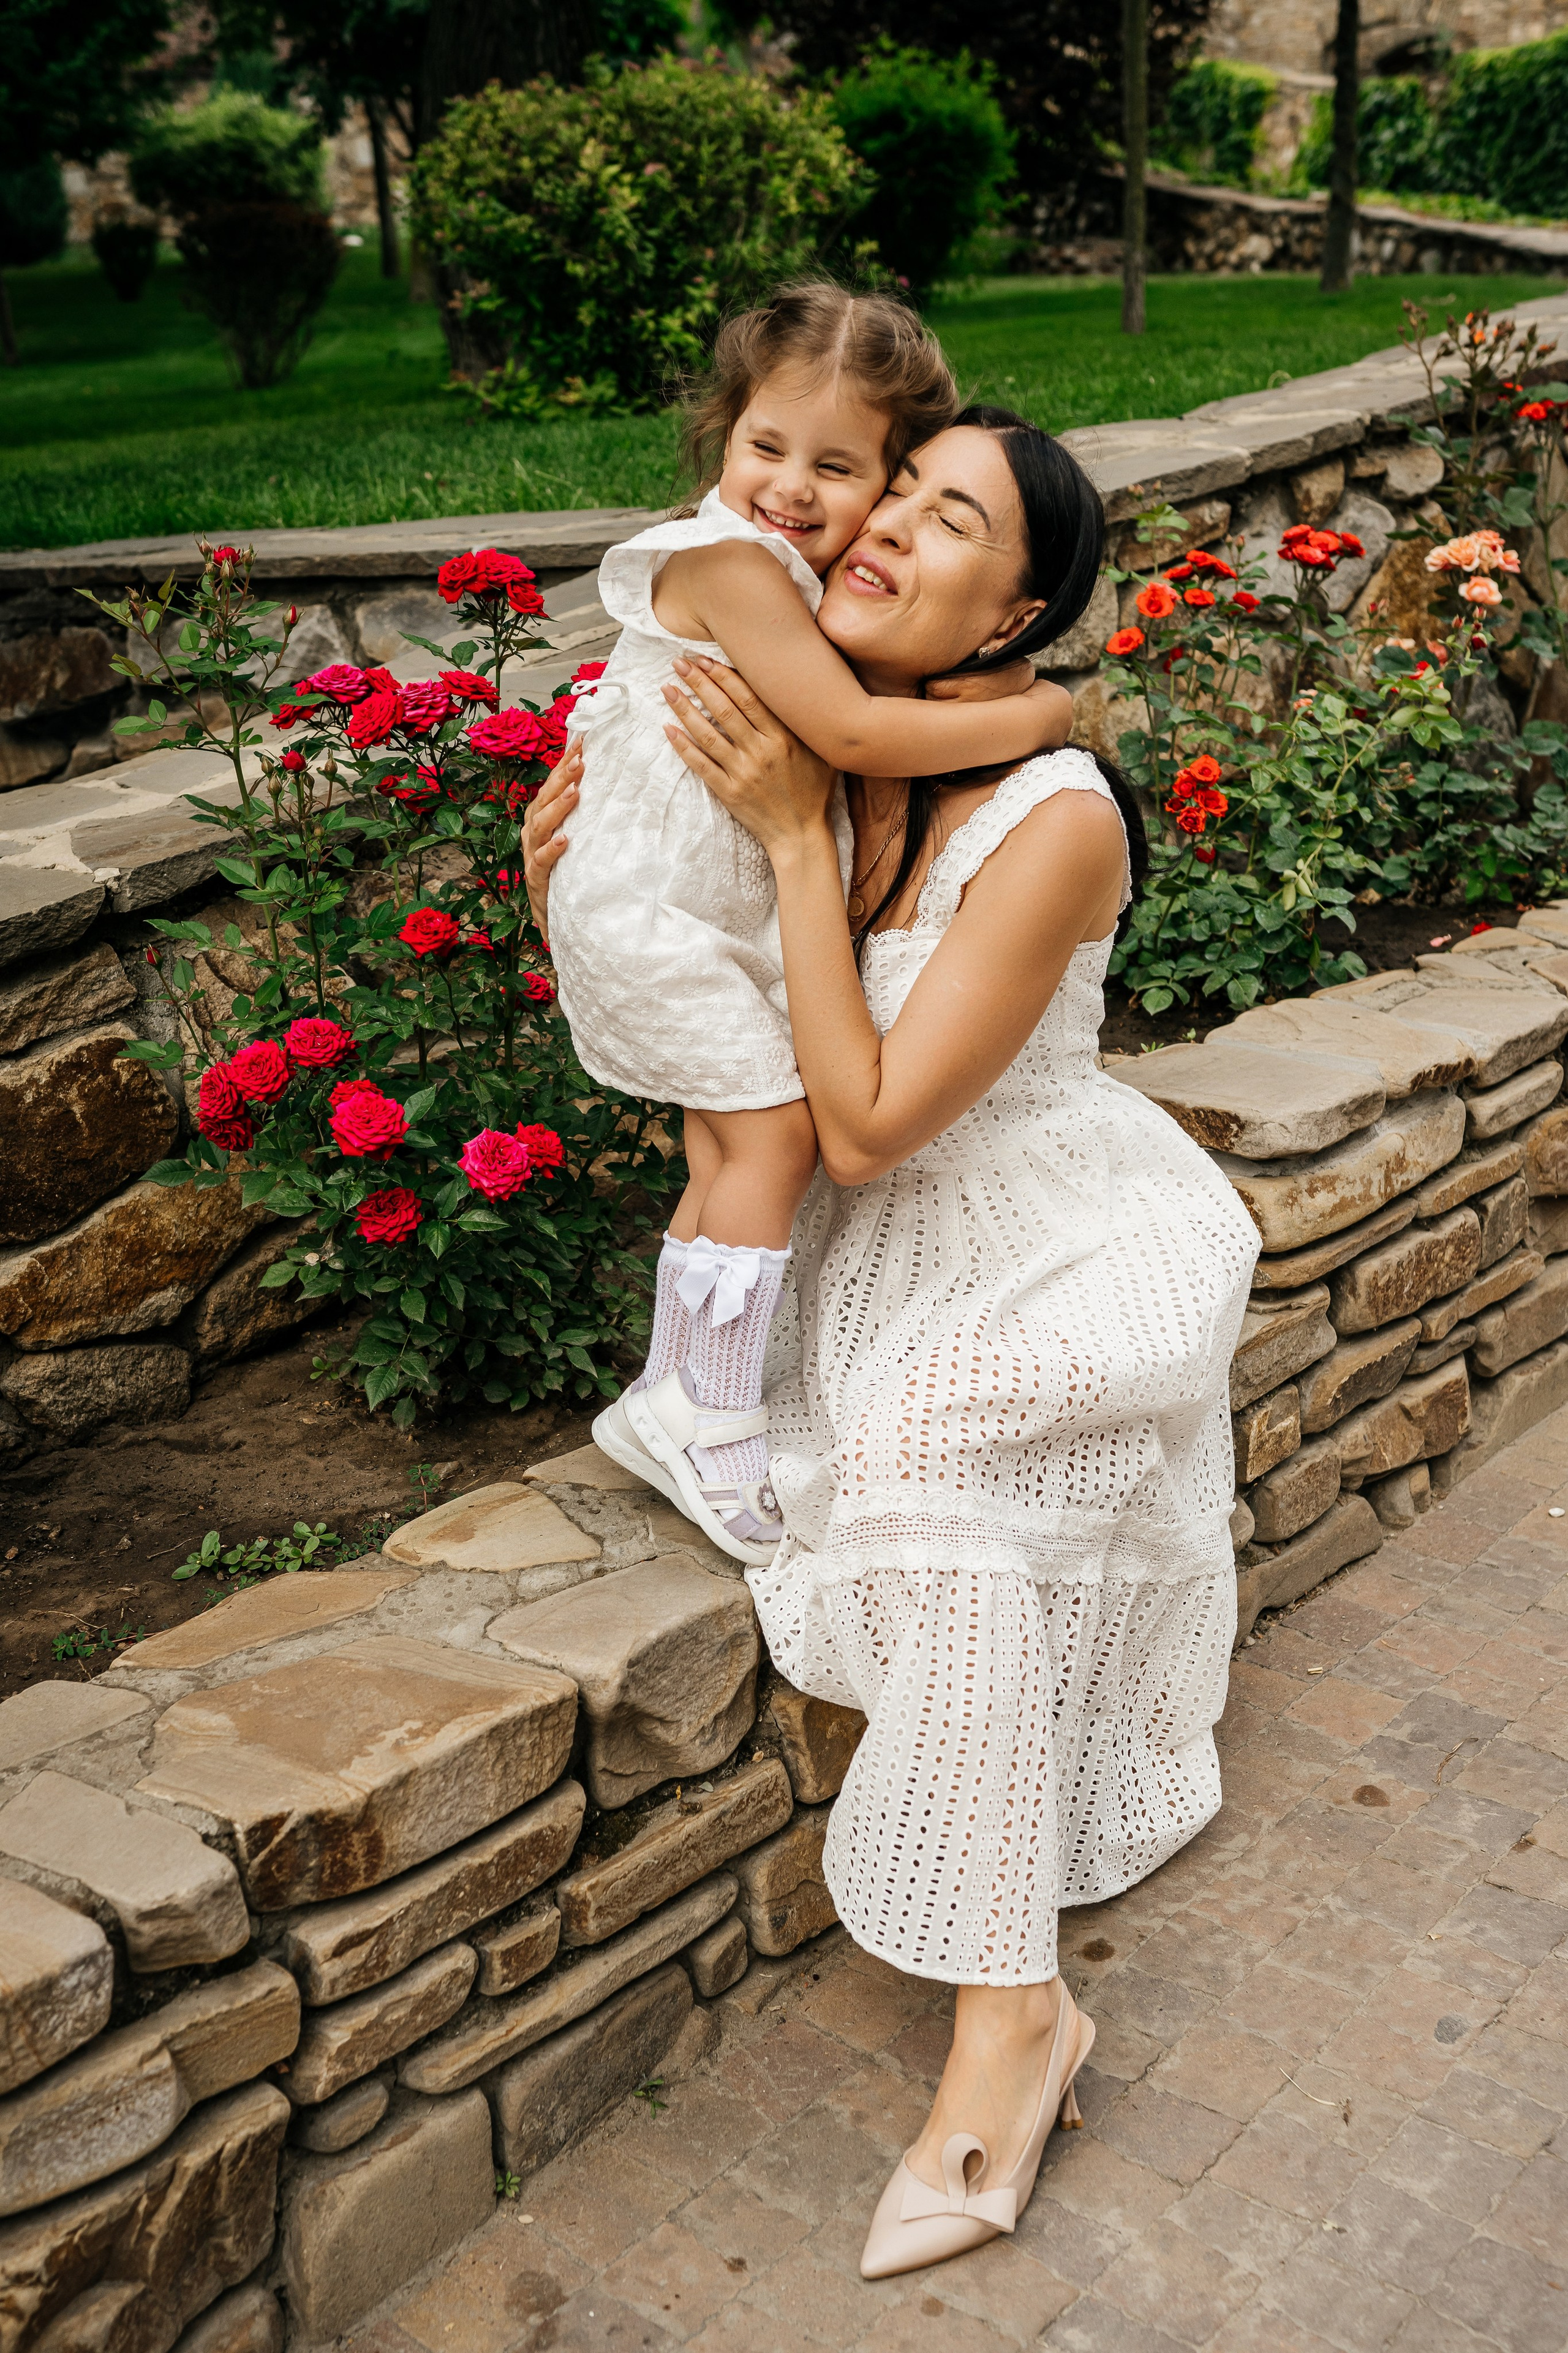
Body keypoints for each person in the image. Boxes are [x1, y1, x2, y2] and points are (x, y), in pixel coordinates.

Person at [527, 407, 1258, 2282]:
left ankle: (1012, 2019)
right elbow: (712, 1046)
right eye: (892, 489)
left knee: (932, 1461)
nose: (878, 530)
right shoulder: (823, 745)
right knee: (833, 1465)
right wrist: (586, 866)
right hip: (876, 1254)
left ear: (1015, 619)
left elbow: (856, 1126)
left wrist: (787, 834)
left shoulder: (1053, 817)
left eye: (950, 522)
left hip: (1057, 1229)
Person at [546, 286, 1075, 1568]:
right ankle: (710, 1411)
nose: (791, 486)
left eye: (840, 467)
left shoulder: (783, 578)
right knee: (772, 1130)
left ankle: (674, 1393)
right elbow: (846, 735)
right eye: (765, 447)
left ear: (883, 480)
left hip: (681, 902)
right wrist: (1040, 715)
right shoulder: (728, 564)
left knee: (729, 1146)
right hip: (655, 904)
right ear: (719, 436)